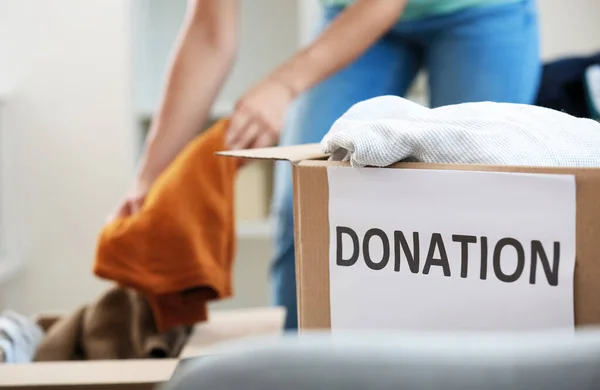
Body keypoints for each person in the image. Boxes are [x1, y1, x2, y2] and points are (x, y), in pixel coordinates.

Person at [114, 0, 540, 331]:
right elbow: (209, 36)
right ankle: (302, 369)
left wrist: (283, 85)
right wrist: (150, 175)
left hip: (480, 11)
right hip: (350, 10)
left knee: (480, 207)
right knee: (307, 201)